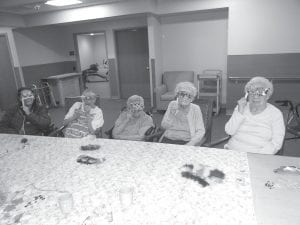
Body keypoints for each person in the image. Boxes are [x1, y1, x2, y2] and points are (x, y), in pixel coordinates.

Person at [225, 76, 285, 154]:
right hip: (233, 151)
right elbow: (229, 131)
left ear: (267, 96)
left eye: (260, 93)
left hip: (259, 155)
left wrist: (258, 156)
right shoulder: (241, 107)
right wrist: (239, 112)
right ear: (247, 95)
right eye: (252, 92)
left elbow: (276, 143)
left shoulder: (275, 114)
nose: (255, 97)